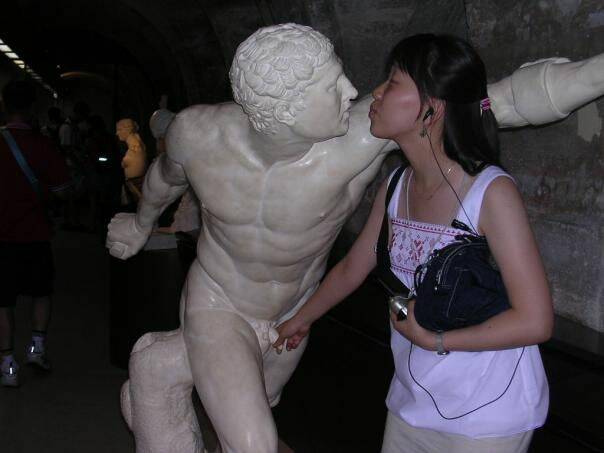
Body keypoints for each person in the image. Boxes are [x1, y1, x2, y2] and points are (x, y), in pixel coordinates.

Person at [106, 23, 604, 453]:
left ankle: (158, 370)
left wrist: (596, 72)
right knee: (252, 440)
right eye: (331, 85)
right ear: (285, 108)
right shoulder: (199, 135)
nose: (353, 90)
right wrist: (141, 222)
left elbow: (502, 100)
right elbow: (164, 177)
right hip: (220, 301)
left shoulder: (362, 146)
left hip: (293, 314)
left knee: (249, 403)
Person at [273, 34, 554, 452]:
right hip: (413, 398)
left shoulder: (490, 192)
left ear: (431, 108)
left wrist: (434, 341)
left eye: (392, 82)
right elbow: (353, 267)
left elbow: (535, 321)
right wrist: (302, 318)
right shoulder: (396, 186)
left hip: (488, 412)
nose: (376, 93)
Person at [0, 80, 71, 387]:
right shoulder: (43, 145)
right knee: (41, 293)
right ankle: (36, 350)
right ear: (32, 107)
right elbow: (62, 190)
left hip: (1, 237)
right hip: (35, 234)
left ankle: (7, 366)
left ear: (4, 105)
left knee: (2, 302)